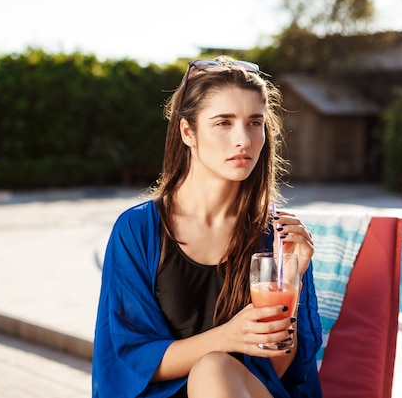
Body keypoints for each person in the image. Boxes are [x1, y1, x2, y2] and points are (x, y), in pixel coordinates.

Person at [92, 56, 322, 398]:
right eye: (223, 123)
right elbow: (129, 360)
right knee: (213, 365)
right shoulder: (138, 230)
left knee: (216, 370)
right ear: (188, 131)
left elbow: (279, 372)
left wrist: (292, 278)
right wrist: (227, 337)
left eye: (254, 122)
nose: (243, 139)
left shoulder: (273, 235)